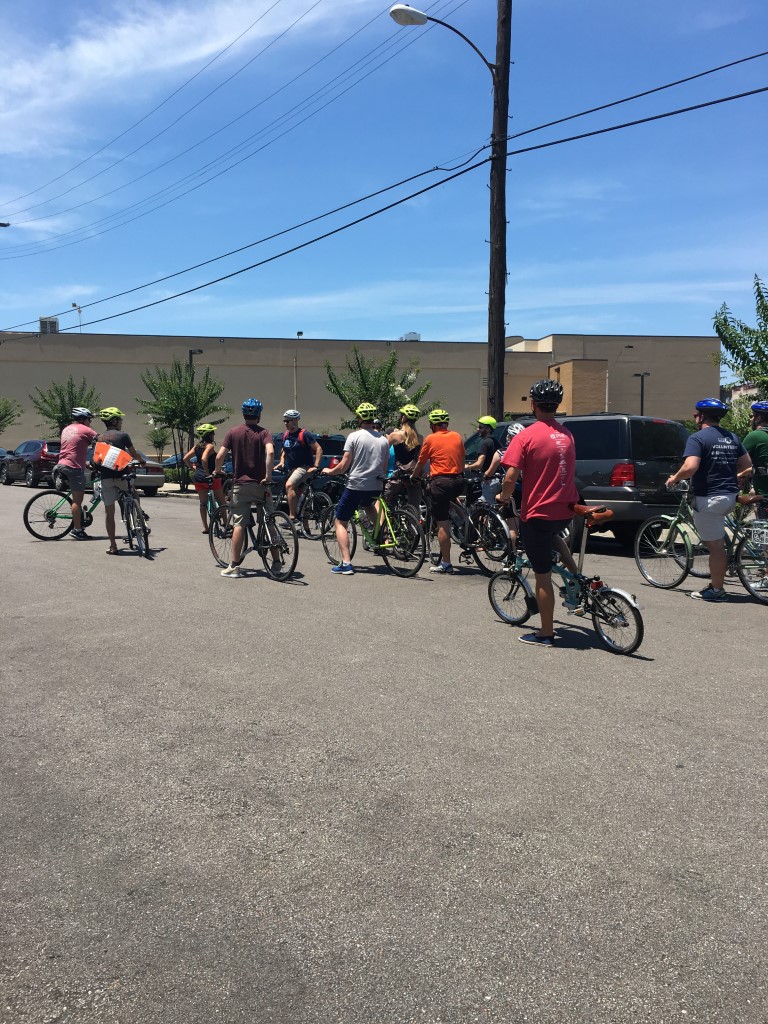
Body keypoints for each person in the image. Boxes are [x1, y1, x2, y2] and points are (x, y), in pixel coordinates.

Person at [497, 380, 579, 647]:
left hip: (538, 512)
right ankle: (574, 576)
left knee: (541, 576)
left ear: (533, 405)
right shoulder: (566, 434)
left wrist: (504, 497)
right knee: (554, 536)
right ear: (556, 406)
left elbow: (510, 477)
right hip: (565, 509)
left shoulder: (525, 436)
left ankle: (545, 632)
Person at [666, 397, 752, 602]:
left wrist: (674, 478)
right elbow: (747, 464)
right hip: (729, 496)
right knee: (718, 541)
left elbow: (690, 467)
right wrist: (733, 476)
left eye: (696, 414)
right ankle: (721, 575)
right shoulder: (732, 437)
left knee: (715, 548)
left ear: (702, 416)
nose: (695, 417)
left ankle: (717, 590)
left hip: (710, 498)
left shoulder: (698, 438)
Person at [321, 401, 389, 575]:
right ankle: (380, 537)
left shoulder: (354, 436)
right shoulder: (383, 439)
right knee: (368, 505)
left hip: (357, 484)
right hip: (376, 485)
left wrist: (330, 471)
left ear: (359, 418)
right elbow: (383, 467)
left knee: (340, 522)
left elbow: (344, 465)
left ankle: (346, 563)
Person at [214, 398, 275, 579]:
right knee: (269, 519)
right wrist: (268, 476)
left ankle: (234, 566)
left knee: (239, 523)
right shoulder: (264, 433)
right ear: (259, 415)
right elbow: (270, 452)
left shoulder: (233, 433)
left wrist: (217, 471)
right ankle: (277, 562)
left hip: (241, 485)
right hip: (261, 484)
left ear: (243, 414)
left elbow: (220, 456)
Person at [411, 408, 465, 574]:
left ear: (433, 425)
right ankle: (463, 522)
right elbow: (462, 458)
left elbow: (421, 462)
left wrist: (414, 476)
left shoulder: (431, 438)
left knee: (442, 523)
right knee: (453, 498)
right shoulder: (457, 436)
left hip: (441, 482)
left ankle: (446, 563)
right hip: (459, 480)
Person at [96, 407, 147, 556]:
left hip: (106, 477)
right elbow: (133, 454)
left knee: (109, 512)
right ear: (114, 421)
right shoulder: (123, 435)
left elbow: (97, 458)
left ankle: (113, 546)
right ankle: (138, 516)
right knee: (133, 493)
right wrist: (141, 461)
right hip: (122, 475)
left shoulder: (98, 438)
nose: (121, 422)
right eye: (120, 419)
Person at [276, 409, 323, 529]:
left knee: (289, 486)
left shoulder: (304, 434)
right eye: (284, 421)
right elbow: (284, 450)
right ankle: (306, 528)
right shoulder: (286, 435)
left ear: (295, 421)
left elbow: (318, 449)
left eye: (288, 421)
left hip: (304, 467)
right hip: (292, 469)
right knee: (302, 498)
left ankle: (292, 518)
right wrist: (282, 461)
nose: (285, 423)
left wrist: (315, 466)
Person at [56, 407, 98, 540]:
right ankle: (77, 530)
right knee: (77, 501)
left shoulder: (67, 428)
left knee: (76, 497)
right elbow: (103, 441)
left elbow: (74, 448)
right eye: (88, 419)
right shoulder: (85, 430)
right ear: (82, 419)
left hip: (62, 464)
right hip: (73, 468)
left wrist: (85, 462)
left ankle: (80, 520)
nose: (90, 422)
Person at [383, 404, 423, 510]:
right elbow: (419, 458)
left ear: (403, 417)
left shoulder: (395, 435)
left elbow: (382, 453)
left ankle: (384, 526)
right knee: (414, 507)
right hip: (413, 476)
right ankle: (412, 524)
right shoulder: (420, 438)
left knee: (382, 502)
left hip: (398, 476)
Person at [183, 424, 223, 533]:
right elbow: (204, 459)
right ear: (209, 435)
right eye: (213, 433)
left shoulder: (197, 446)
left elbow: (185, 458)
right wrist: (207, 473)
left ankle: (205, 527)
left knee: (203, 503)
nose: (214, 435)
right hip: (210, 477)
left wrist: (193, 468)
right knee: (222, 500)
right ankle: (226, 523)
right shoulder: (210, 446)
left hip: (198, 478)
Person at [742, 399, 768, 519]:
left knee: (763, 534)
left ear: (759, 418)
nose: (750, 419)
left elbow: (736, 461)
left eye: (752, 416)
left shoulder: (755, 436)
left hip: (764, 496)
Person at [465, 416, 499, 505]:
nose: (477, 429)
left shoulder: (485, 443)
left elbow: (479, 464)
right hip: (498, 480)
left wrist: (467, 467)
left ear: (488, 429)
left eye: (480, 427)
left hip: (489, 481)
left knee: (484, 509)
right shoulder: (496, 442)